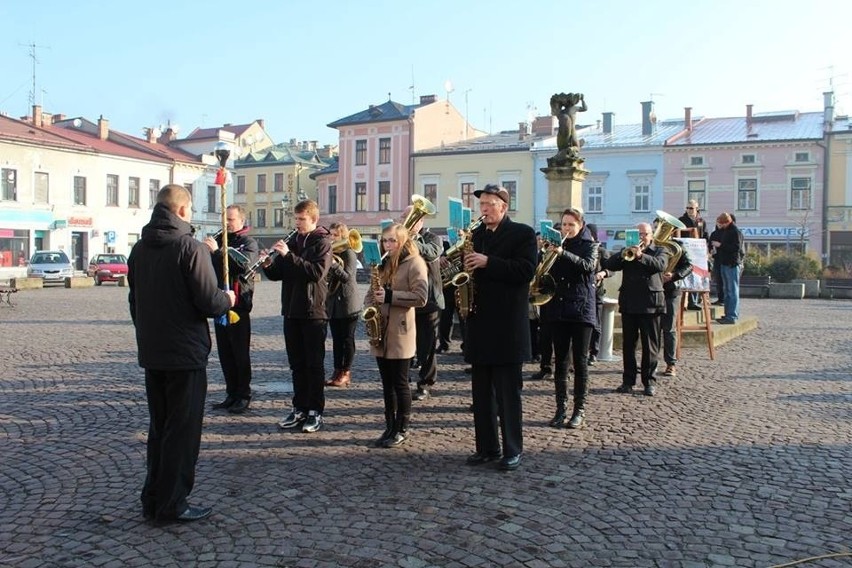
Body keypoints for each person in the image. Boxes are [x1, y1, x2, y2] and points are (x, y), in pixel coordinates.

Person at [128, 184, 235, 523]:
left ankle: (153, 497)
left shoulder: (138, 249)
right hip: (185, 354)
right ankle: (173, 502)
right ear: (184, 210)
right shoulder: (190, 248)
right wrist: (227, 299)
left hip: (153, 350)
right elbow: (208, 300)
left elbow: (134, 302)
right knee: (182, 431)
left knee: (160, 428)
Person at [462, 184, 537, 471]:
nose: (483, 209)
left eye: (489, 204)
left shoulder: (522, 234)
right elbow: (471, 270)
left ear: (503, 207)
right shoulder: (477, 235)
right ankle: (487, 448)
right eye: (481, 204)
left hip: (507, 326)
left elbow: (525, 271)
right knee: (481, 395)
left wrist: (488, 262)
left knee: (508, 395)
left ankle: (512, 450)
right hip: (480, 324)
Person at [264, 200, 332, 433]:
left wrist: (289, 256)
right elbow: (280, 274)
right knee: (297, 365)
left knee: (314, 365)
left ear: (313, 219)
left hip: (313, 312)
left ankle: (315, 411)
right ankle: (299, 408)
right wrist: (268, 265)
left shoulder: (322, 242)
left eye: (301, 219)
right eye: (295, 219)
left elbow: (316, 273)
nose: (297, 223)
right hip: (291, 310)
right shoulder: (293, 241)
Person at [365, 223, 428, 447]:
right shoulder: (381, 264)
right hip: (381, 330)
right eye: (384, 240)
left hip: (400, 331)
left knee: (400, 383)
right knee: (386, 384)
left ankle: (402, 428)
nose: (387, 244)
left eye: (392, 240)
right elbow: (371, 293)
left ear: (402, 241)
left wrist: (391, 296)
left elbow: (421, 297)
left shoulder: (415, 263)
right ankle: (389, 426)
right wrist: (368, 308)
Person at [539, 208, 598, 429]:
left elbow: (588, 267)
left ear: (580, 225)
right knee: (560, 361)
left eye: (570, 225)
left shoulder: (590, 245)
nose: (566, 228)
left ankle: (579, 410)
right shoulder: (554, 247)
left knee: (580, 362)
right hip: (558, 308)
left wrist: (563, 253)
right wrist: (545, 255)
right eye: (563, 224)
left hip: (582, 309)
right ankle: (560, 408)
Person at [601, 222, 669, 396]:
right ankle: (628, 381)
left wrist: (640, 256)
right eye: (638, 234)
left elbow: (660, 265)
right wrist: (624, 253)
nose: (641, 237)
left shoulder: (660, 250)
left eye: (645, 234)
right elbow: (610, 263)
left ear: (651, 236)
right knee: (628, 346)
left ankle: (649, 382)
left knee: (650, 346)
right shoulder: (626, 252)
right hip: (630, 304)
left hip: (651, 305)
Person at [204, 205, 259, 414]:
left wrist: (217, 252)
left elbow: (242, 266)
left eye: (231, 219)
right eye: (224, 219)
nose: (227, 223)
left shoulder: (248, 242)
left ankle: (243, 394)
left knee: (239, 354)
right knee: (225, 354)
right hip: (220, 302)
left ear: (241, 221)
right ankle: (231, 393)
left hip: (238, 305)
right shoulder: (220, 239)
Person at [400, 207, 444, 402]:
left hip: (429, 300)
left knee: (426, 346)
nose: (405, 220)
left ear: (421, 221)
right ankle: (403, 381)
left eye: (409, 217)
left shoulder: (433, 238)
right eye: (404, 216)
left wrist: (410, 239)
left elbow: (431, 253)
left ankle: (426, 384)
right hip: (405, 299)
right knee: (404, 343)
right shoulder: (399, 239)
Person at [325, 222, 360, 388]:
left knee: (347, 339)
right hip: (333, 302)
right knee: (336, 340)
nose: (332, 238)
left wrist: (333, 264)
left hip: (348, 303)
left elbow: (348, 277)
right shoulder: (331, 252)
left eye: (335, 235)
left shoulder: (349, 253)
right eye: (330, 235)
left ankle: (346, 372)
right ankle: (337, 370)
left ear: (343, 236)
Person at [661, 237, 694, 377]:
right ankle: (650, 362)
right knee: (651, 329)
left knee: (669, 329)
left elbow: (689, 266)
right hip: (651, 290)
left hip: (671, 289)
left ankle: (671, 363)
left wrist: (674, 275)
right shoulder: (650, 246)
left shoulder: (676, 246)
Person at [711, 212, 744, 325]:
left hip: (732, 264)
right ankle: (728, 314)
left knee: (732, 291)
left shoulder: (735, 231)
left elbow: (736, 248)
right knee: (728, 291)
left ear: (727, 222)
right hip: (725, 263)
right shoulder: (727, 231)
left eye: (721, 224)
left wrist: (720, 245)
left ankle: (732, 316)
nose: (720, 226)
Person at [585, 223, 611, 365]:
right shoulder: (584, 248)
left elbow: (611, 269)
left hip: (597, 291)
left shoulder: (601, 251)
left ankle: (593, 352)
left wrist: (603, 273)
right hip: (585, 291)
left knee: (596, 323)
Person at [678, 200, 706, 310]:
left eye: (691, 208)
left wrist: (706, 248)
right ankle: (684, 302)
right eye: (687, 208)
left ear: (697, 209)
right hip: (686, 251)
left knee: (697, 275)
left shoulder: (701, 221)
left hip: (698, 251)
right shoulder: (681, 220)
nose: (689, 210)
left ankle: (694, 301)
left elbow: (705, 235)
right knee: (685, 275)